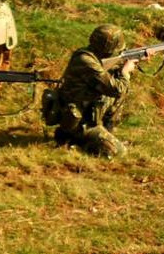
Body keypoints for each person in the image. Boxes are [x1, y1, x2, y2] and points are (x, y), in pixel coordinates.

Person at [53, 24, 135, 158]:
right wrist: (126, 71)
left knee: (116, 95)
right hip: (79, 121)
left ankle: (105, 132)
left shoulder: (92, 56)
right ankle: (74, 138)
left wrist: (126, 66)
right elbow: (117, 89)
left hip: (87, 112)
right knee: (119, 152)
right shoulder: (86, 61)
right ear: (109, 47)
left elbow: (111, 84)